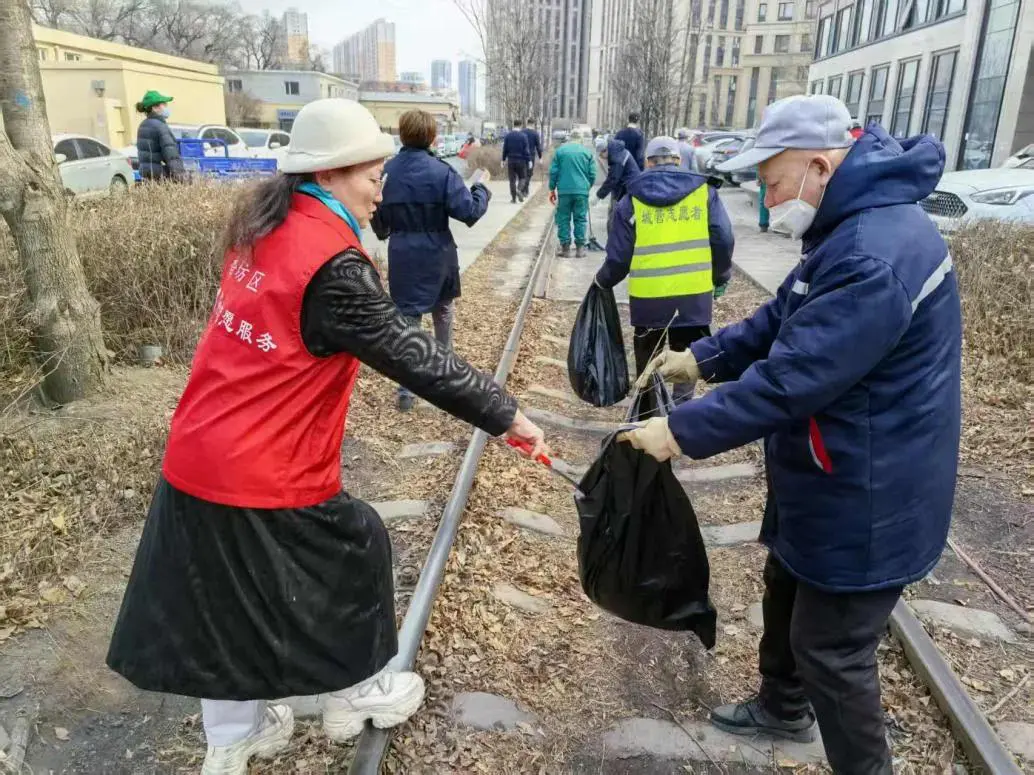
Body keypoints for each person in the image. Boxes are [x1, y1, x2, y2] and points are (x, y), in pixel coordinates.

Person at [105, 98, 547, 775]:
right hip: (259, 462)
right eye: (373, 176)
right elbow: (414, 355)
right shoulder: (332, 264)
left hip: (197, 448)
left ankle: (233, 737)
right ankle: (357, 692)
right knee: (356, 545)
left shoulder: (261, 225)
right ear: (334, 174)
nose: (382, 190)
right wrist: (507, 414)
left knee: (224, 596)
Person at [626, 95, 961, 774]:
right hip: (833, 462)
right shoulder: (850, 225)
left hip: (870, 486)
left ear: (816, 165)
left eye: (772, 181)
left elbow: (793, 379)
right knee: (787, 575)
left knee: (832, 650)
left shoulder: (873, 252)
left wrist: (680, 430)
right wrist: (704, 357)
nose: (765, 195)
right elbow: (786, 315)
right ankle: (783, 706)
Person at [593, 136, 733, 417]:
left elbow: (619, 257)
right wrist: (720, 276)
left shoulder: (632, 198)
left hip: (649, 300)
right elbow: (723, 238)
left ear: (647, 162)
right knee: (686, 357)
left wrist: (602, 281)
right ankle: (680, 412)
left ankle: (650, 413)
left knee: (651, 360)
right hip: (694, 296)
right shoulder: (704, 192)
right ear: (679, 160)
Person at [371, 110, 493, 412]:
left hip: (402, 255)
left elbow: (380, 225)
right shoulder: (443, 172)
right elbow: (469, 213)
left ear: (402, 134)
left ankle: (406, 391)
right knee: (443, 311)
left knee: (408, 322)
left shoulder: (387, 174)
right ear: (432, 136)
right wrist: (481, 187)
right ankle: (445, 377)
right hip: (438, 252)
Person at [548, 129, 596, 258]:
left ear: (570, 139)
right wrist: (587, 186)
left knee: (563, 218)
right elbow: (592, 174)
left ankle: (566, 249)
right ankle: (580, 249)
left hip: (564, 191)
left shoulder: (560, 152)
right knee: (580, 218)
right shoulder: (587, 153)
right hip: (581, 191)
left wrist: (552, 188)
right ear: (580, 139)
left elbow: (553, 172)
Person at [134, 90, 184, 181]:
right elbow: (171, 155)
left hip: (148, 175)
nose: (166, 107)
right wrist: (182, 177)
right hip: (162, 176)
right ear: (155, 107)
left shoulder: (142, 125)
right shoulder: (160, 126)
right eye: (164, 104)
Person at [595, 137, 640, 223]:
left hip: (631, 189)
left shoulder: (616, 158)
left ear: (605, 150)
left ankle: (619, 234)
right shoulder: (616, 152)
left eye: (601, 155)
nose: (602, 158)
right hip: (628, 187)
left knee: (620, 217)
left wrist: (598, 196)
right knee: (619, 215)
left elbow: (613, 179)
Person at [501, 119, 531, 203]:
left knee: (512, 180)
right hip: (521, 161)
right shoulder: (524, 136)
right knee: (523, 177)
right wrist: (529, 160)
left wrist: (503, 160)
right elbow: (526, 150)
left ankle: (514, 199)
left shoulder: (508, 136)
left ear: (514, 125)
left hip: (511, 161)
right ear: (520, 125)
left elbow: (505, 149)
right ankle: (519, 190)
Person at [522, 118, 543, 198]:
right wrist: (540, 157)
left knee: (523, 173)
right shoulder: (535, 134)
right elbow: (538, 146)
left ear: (527, 123)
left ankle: (524, 190)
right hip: (531, 156)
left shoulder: (522, 132)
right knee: (529, 173)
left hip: (522, 156)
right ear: (533, 124)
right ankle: (525, 190)